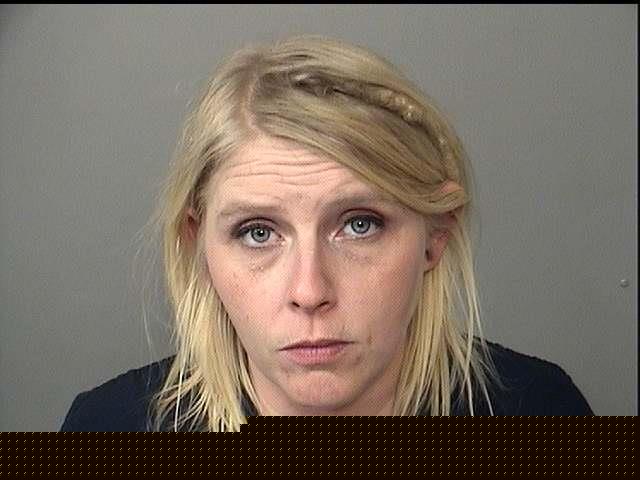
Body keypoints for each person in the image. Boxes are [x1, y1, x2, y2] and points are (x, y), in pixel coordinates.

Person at [60, 34, 594, 431]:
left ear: (436, 236)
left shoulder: (541, 412)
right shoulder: (107, 429)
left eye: (360, 225)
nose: (310, 291)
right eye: (257, 233)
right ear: (199, 245)